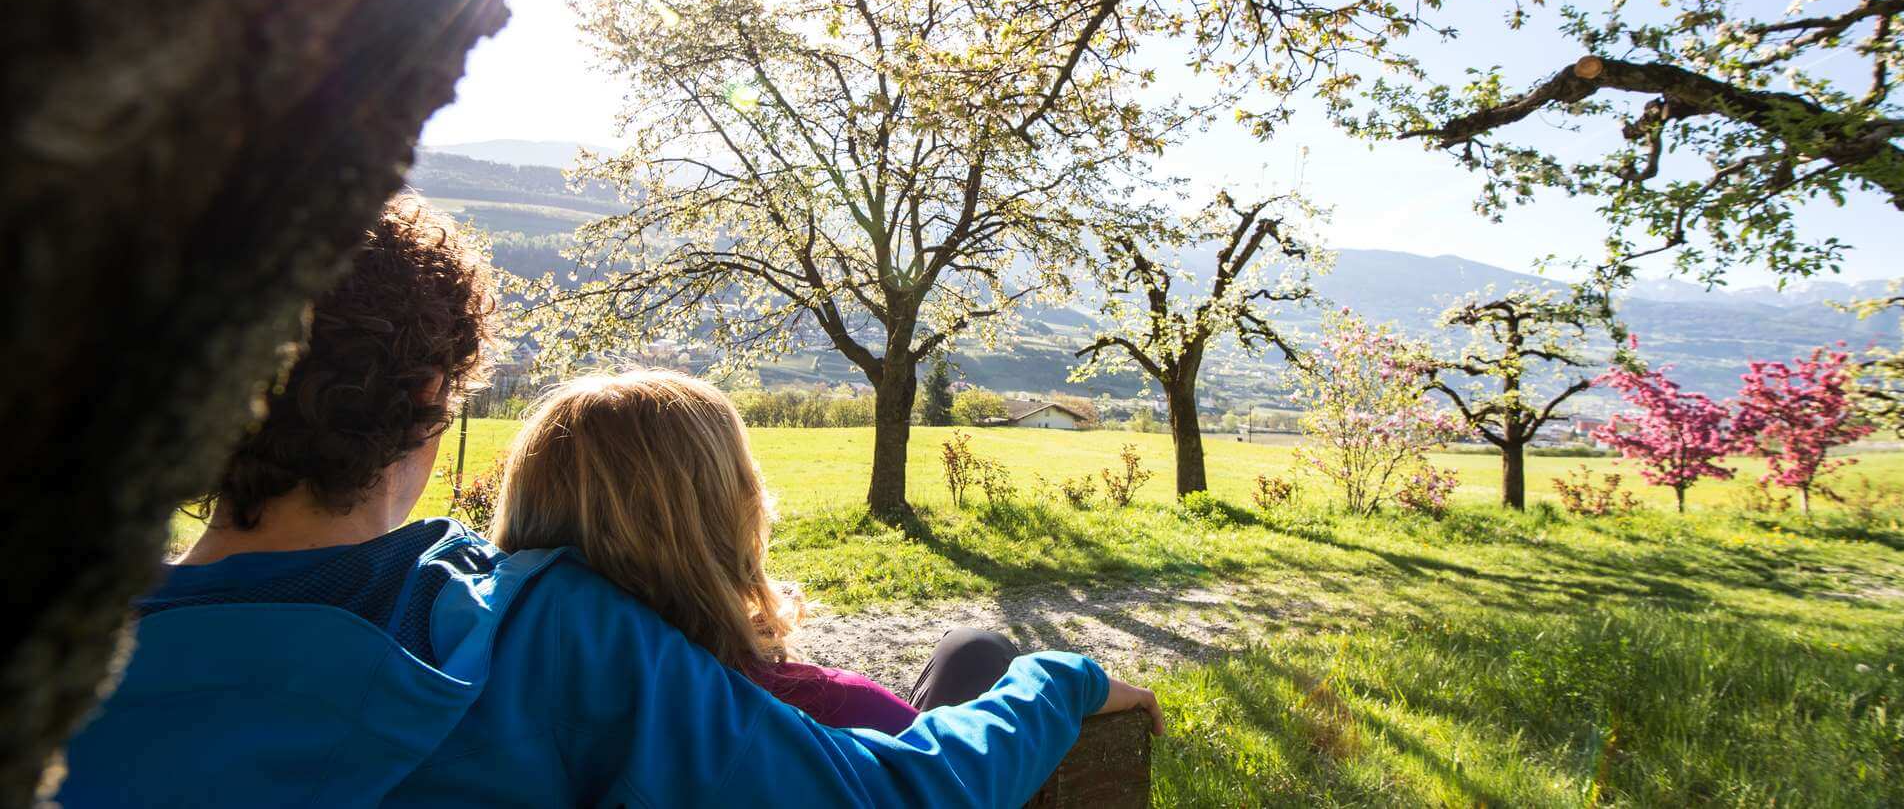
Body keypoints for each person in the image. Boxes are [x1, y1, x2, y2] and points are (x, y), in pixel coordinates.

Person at [55, 196, 1161, 808]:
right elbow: (895, 797)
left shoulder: (56, 678)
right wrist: (1055, 675)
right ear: (436, 398)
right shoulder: (542, 633)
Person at [493, 370, 1077, 733]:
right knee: (977, 652)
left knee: (970, 646)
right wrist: (1061, 687)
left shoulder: (486, 699)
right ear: (729, 516)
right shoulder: (822, 711)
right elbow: (947, 771)